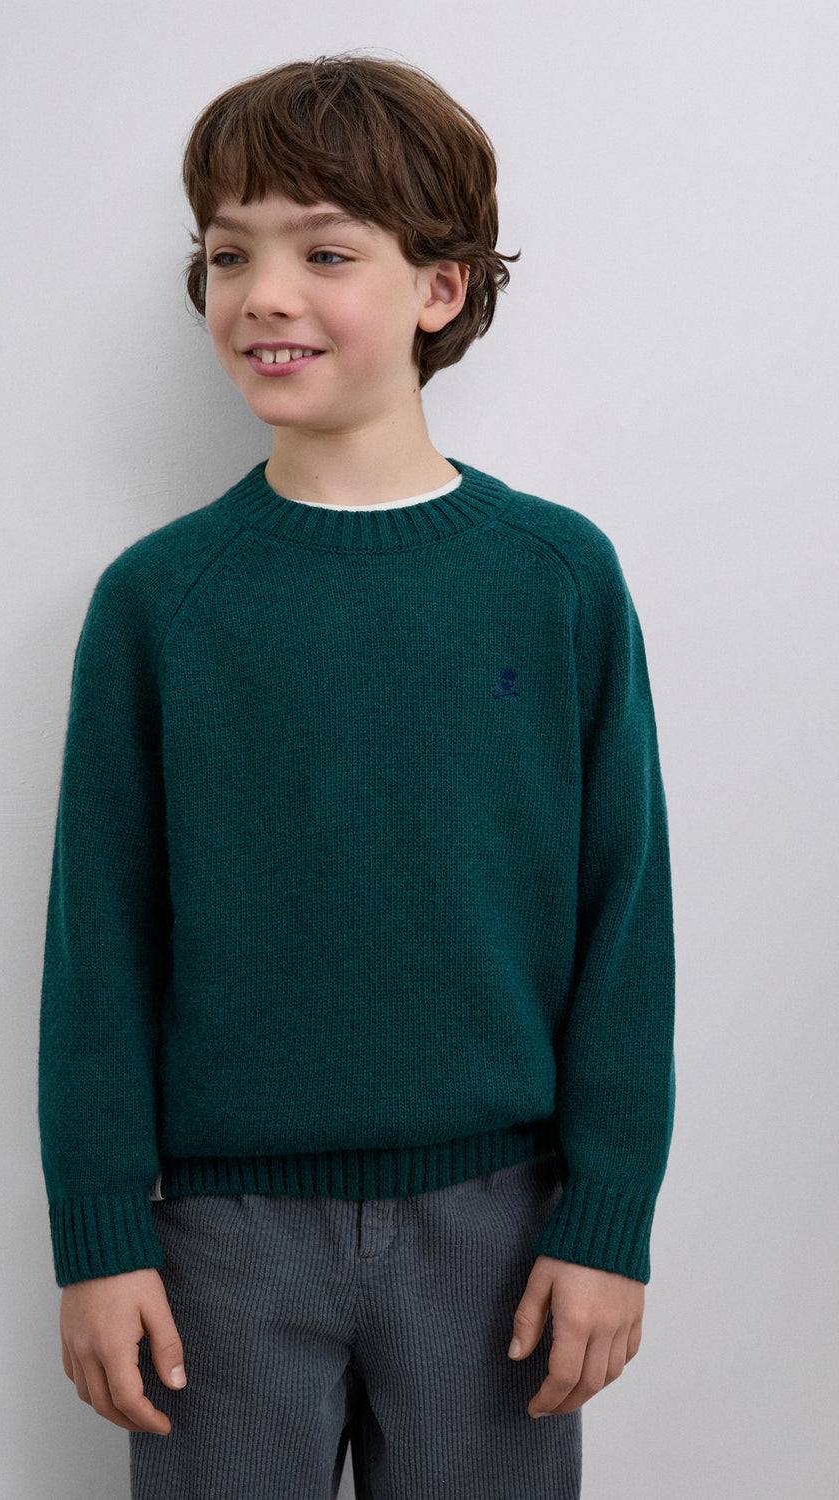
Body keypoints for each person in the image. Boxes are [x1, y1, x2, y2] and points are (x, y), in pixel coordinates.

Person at [37, 52, 676, 1500]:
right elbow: (99, 945)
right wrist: (100, 1239)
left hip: (500, 1231)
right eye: (229, 255)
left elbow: (623, 918)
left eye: (324, 252)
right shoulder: (161, 603)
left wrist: (608, 1218)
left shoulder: (556, 577)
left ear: (439, 287)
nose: (264, 294)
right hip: (222, 1244)